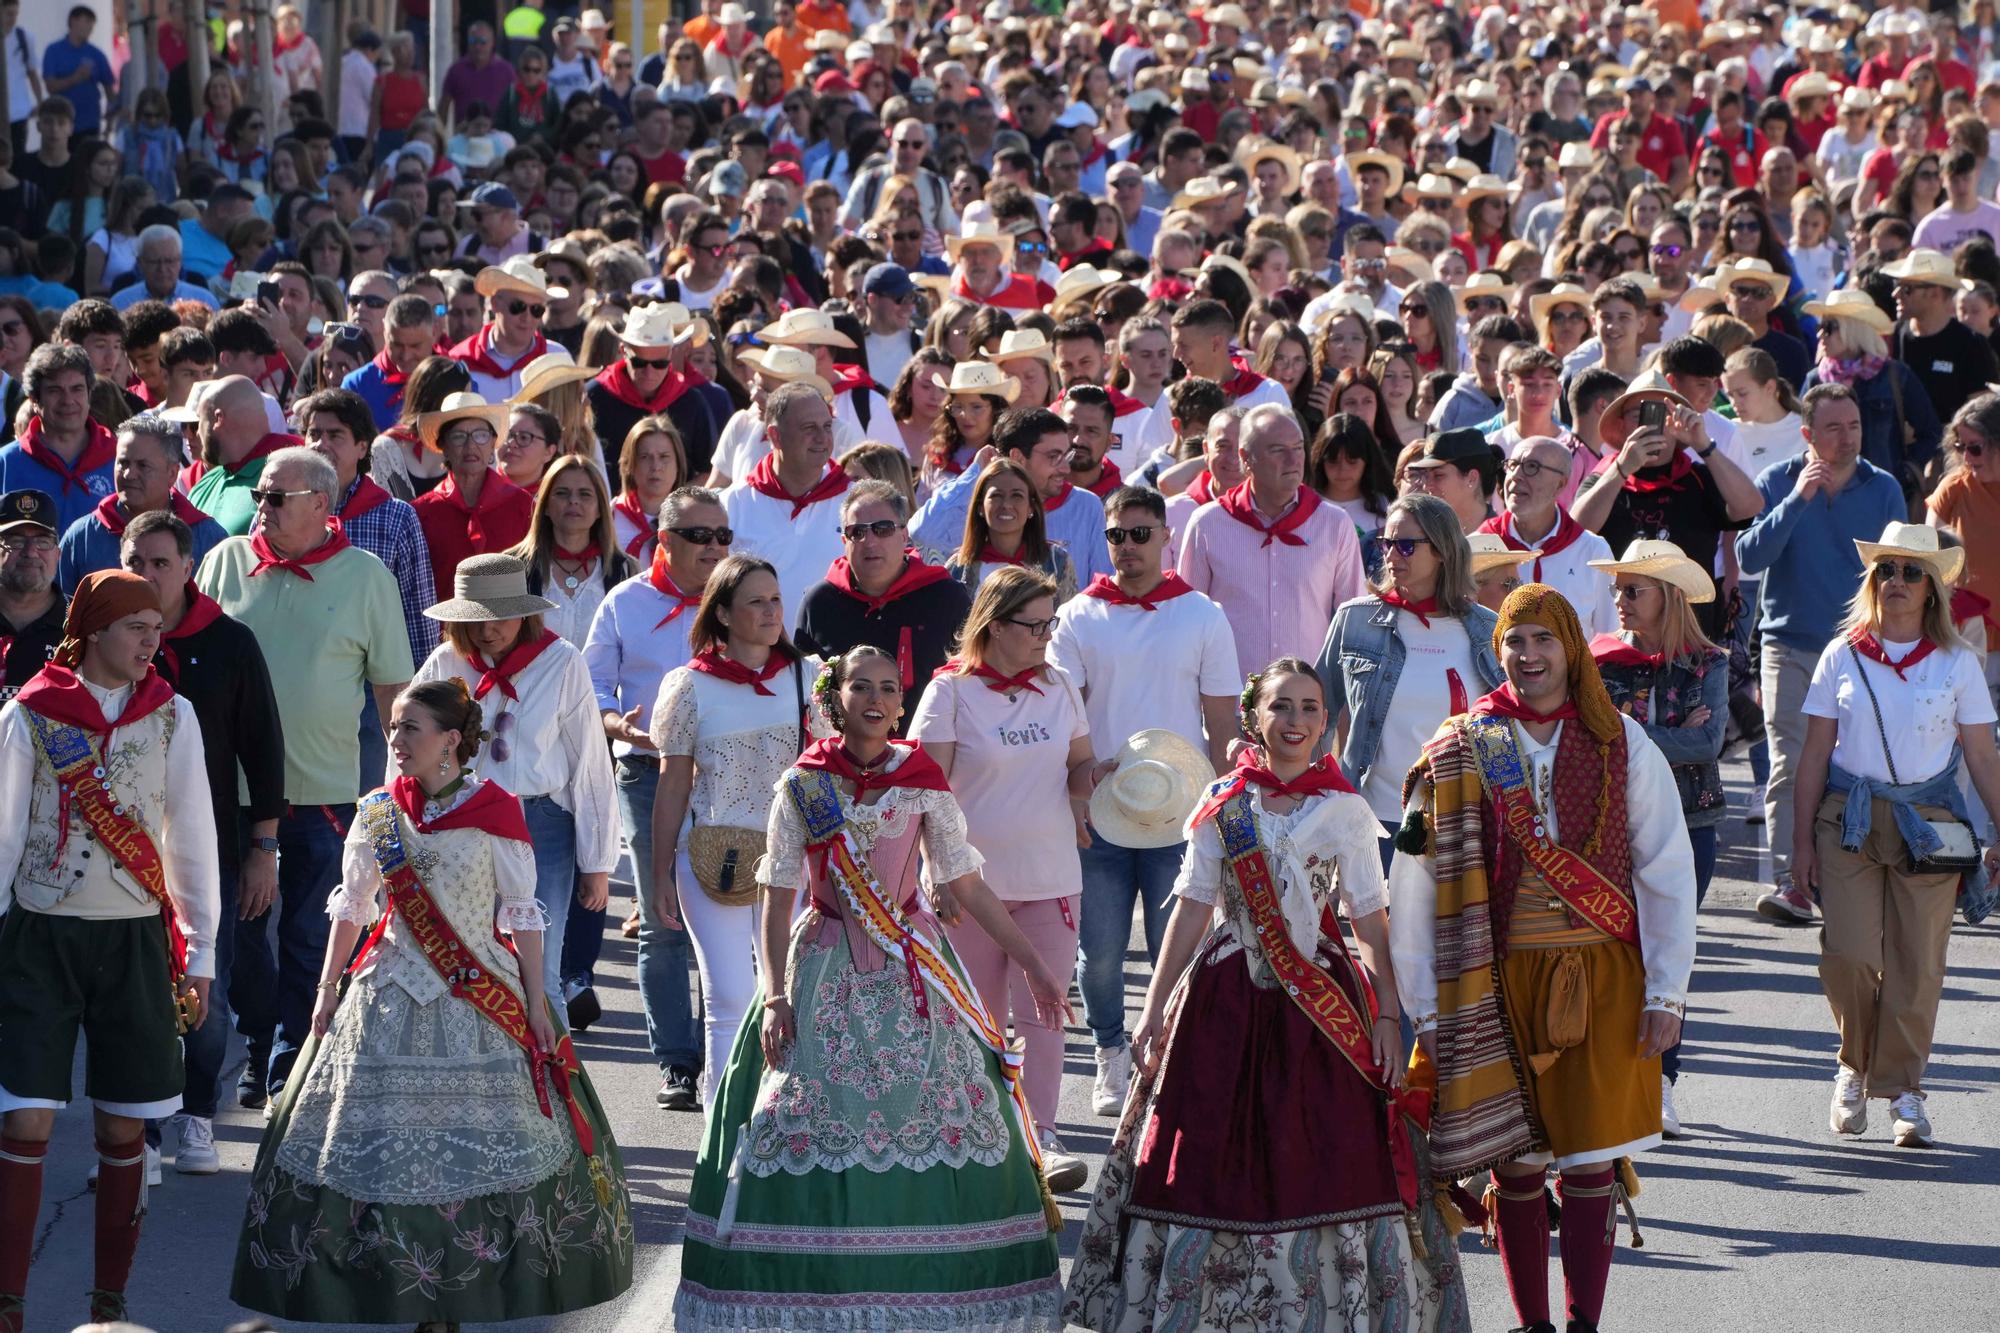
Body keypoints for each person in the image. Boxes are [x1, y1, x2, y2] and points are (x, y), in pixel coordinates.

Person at [673, 644, 1068, 1330]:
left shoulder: (920, 777)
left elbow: (964, 882)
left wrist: (1029, 958)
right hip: (823, 966)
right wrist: (774, 995)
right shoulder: (804, 783)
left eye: (890, 687)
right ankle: (807, 1294)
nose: (879, 699)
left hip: (913, 972)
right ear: (837, 697)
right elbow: (776, 895)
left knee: (943, 1119)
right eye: (863, 687)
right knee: (784, 1119)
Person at [231, 679, 634, 1324]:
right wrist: (327, 988)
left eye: (410, 727)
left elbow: (522, 915)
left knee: (480, 1148)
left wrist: (536, 1001)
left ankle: (464, 1289)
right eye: (392, 727)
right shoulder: (377, 812)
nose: (395, 740)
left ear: (451, 740)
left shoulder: (498, 810)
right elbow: (354, 908)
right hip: (385, 993)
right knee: (375, 1150)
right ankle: (392, 1285)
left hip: (479, 996)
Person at [1064, 658, 1432, 1331]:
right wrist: (1151, 1009)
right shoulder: (1225, 802)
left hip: (1321, 1001)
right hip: (1224, 994)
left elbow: (1368, 917)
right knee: (1203, 1147)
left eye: (1310, 707)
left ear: (1327, 720)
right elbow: (1192, 908)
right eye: (1281, 706)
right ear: (1253, 718)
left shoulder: (1344, 808)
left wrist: (1385, 1011)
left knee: (1325, 1149)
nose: (1296, 721)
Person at [1390, 584, 1695, 1333]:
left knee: (1591, 1160)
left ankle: (1583, 1321)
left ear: (1571, 648)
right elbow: (1415, 885)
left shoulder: (1623, 740)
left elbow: (1666, 870)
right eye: (1514, 642)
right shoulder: (1460, 744)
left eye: (1543, 640)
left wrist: (1667, 993)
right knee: (1515, 1161)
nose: (1528, 656)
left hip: (1605, 975)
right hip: (1492, 979)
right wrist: (1426, 1007)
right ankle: (1532, 1324)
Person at [0, 570, 218, 1331]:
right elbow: (0, 839)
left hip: (132, 940)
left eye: (156, 624)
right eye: (135, 625)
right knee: (24, 1120)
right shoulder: (30, 714)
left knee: (124, 1127)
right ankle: (8, 1304)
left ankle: (107, 1306)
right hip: (40, 934)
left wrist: (202, 953)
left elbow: (192, 840)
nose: (151, 638)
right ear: (93, 630)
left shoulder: (172, 716)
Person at [196, 446, 414, 1102]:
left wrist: (400, 789)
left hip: (321, 794)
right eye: (260, 494)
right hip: (225, 792)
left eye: (276, 497)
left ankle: (290, 1060)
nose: (261, 507)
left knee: (307, 933)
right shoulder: (224, 561)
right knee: (235, 935)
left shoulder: (365, 575)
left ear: (322, 505)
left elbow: (392, 693)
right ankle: (259, 1034)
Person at [1799, 518, 2000, 1142]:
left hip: (1930, 822)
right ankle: (1853, 1068)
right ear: (1872, 579)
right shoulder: (1842, 653)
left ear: (1934, 588)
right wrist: (1799, 841)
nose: (1897, 580)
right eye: (1887, 569)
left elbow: (1982, 757)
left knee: (1918, 964)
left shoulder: (1958, 663)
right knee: (1850, 955)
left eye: (1912, 571)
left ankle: (1906, 1090)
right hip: (1848, 819)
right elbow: (1812, 756)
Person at [1049, 484, 1239, 1114]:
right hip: (1101, 809)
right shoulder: (1079, 614)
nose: (1127, 547)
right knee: (1099, 950)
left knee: (1175, 947)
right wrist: (1076, 788)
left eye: (1139, 534)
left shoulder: (1203, 614)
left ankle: (1167, 1054)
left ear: (1164, 536)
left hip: (1181, 813)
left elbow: (1223, 722)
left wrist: (1224, 809)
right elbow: (1059, 712)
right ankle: (1110, 1053)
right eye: (1115, 535)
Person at [910, 566, 1098, 1193]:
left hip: (1052, 878)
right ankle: (978, 1134)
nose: (1048, 635)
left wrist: (1085, 790)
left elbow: (1079, 760)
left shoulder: (1059, 684)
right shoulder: (949, 692)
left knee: (1045, 1012)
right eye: (1035, 625)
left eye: (1052, 622)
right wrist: (935, 869)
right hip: (970, 889)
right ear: (994, 625)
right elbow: (925, 792)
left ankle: (1040, 1134)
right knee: (977, 1018)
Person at [119, 509, 284, 1177]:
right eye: (136, 562)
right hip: (121, 850)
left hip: (211, 845)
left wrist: (263, 847)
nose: (147, 575)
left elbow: (265, 749)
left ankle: (195, 1111)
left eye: (160, 563)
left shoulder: (229, 641)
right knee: (133, 994)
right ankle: (143, 1134)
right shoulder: (100, 642)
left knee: (202, 987)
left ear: (188, 567)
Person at [648, 554, 819, 1107]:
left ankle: (780, 1123)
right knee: (727, 1001)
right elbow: (672, 786)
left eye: (776, 600)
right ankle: (723, 1139)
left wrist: (828, 862)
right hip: (711, 859)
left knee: (788, 995)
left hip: (790, 861)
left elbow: (821, 776)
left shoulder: (805, 676)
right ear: (722, 614)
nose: (772, 612)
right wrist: (659, 873)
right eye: (756, 602)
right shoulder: (689, 687)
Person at [1736, 383, 1907, 925]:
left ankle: (1845, 877)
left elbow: (1902, 572)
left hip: (1862, 647)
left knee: (1854, 766)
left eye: (1853, 425)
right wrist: (1799, 498)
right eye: (1833, 428)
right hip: (1788, 646)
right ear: (1808, 435)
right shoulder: (1777, 482)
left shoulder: (1883, 488)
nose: (1847, 437)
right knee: (1789, 762)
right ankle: (1790, 882)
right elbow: (1751, 555)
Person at [413, 555, 617, 1003]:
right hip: (462, 818)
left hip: (539, 820)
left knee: (538, 971)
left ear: (525, 613)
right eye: (476, 620)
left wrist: (596, 862)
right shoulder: (446, 662)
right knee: (466, 956)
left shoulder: (562, 662)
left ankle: (553, 1072)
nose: (488, 631)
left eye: (501, 617)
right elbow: (410, 744)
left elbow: (589, 764)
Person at [580, 485, 722, 1094]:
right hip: (647, 773)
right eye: (699, 536)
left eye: (722, 537)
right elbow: (595, 687)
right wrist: (620, 727)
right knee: (663, 920)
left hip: (725, 777)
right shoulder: (624, 602)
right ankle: (677, 1062)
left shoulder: (742, 598)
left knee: (718, 919)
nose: (714, 548)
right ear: (663, 541)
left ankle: (719, 1057)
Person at [1588, 540, 1730, 1138]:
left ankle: (1663, 1081)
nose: (1619, 600)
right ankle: (1614, 1077)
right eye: (1618, 589)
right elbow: (1590, 736)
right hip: (1610, 825)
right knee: (1613, 950)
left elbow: (1708, 743)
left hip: (1690, 824)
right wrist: (1663, 733)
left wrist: (1629, 737)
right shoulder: (1597, 659)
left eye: (1632, 590)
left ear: (1668, 597)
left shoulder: (1709, 661)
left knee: (1668, 950)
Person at [1320, 493, 1506, 854]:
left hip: (1460, 820)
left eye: (1405, 545)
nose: (1390, 555)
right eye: (1386, 543)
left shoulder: (1487, 629)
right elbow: (1318, 712)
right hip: (1369, 819)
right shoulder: (1354, 620)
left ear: (1441, 550)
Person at [1570, 371, 1764, 640]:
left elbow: (1750, 506)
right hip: (1622, 637)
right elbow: (1576, 531)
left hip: (1692, 637)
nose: (1652, 424)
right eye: (1639, 415)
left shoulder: (1698, 476)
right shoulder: (1605, 477)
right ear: (1623, 425)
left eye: (1661, 414)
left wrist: (1704, 445)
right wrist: (1622, 469)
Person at [1178, 402, 1369, 672]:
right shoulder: (1208, 524)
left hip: (1309, 706)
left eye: (1298, 448)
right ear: (1246, 459)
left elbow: (1353, 624)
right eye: (1278, 450)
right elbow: (1188, 621)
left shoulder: (1334, 523)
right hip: (1230, 702)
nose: (1293, 460)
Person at [793, 479, 973, 724]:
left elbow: (972, 684)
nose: (870, 541)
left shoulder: (947, 597)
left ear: (904, 535)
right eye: (857, 532)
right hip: (844, 754)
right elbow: (801, 692)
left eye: (883, 528)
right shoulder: (819, 603)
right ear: (844, 542)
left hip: (931, 750)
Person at [723, 381, 853, 632]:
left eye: (827, 427)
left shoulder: (856, 503)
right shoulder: (732, 504)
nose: (822, 438)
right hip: (754, 663)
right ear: (775, 436)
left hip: (834, 661)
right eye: (809, 428)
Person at [57, 414, 225, 594]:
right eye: (123, 463)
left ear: (172, 473)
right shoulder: (83, 537)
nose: (129, 474)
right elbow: (62, 611)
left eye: (143, 465)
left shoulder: (208, 538)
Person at [1479, 436, 1619, 637]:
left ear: (1560, 484)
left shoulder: (1593, 551)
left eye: (1532, 467)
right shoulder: (1479, 545)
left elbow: (1608, 636)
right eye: (1512, 465)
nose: (1516, 475)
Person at [411, 391, 536, 602]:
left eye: (480, 435)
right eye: (459, 436)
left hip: (508, 629)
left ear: (493, 442)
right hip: (445, 631)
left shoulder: (522, 505)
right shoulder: (421, 512)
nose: (471, 446)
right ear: (443, 447)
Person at [516, 454, 639, 647]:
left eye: (585, 494)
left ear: (600, 509)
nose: (573, 501)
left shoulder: (626, 570)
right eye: (562, 493)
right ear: (545, 505)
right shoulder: (516, 567)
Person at [0, 343, 115, 533]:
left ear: (89, 395)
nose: (67, 400)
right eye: (55, 390)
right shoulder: (6, 463)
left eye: (77, 389)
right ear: (34, 399)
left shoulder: (120, 460)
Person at [182, 377, 305, 537]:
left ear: (218, 419)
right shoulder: (206, 483)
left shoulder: (296, 475)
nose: (197, 433)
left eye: (199, 422)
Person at [945, 457, 1078, 600]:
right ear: (980, 508)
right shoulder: (958, 567)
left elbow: (1069, 620)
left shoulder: (1057, 562)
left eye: (1017, 496)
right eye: (996, 495)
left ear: (1030, 508)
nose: (1006, 504)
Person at [450, 256, 567, 401]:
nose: (527, 318)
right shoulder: (459, 361)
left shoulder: (557, 359)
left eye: (536, 310)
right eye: (518, 307)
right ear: (495, 304)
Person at [0, 491, 65, 703]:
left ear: (58, 553)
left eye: (43, 541)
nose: (30, 552)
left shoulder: (81, 625)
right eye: (16, 541)